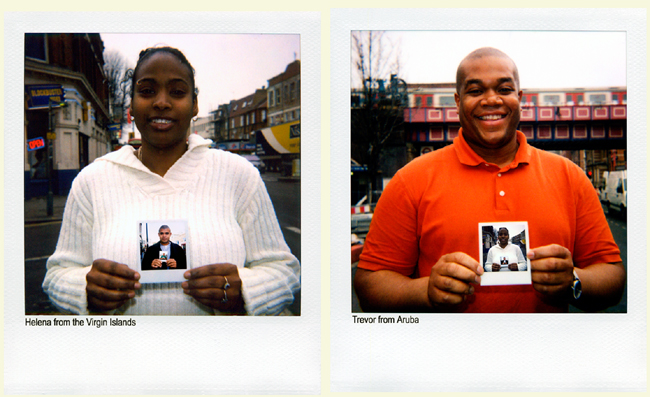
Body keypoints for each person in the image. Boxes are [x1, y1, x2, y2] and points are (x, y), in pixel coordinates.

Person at [354, 47, 625, 313]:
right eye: (475, 91)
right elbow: (370, 286)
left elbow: (613, 279)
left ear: (520, 98)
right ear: (458, 102)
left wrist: (574, 281)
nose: (491, 100)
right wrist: (425, 292)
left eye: (504, 89)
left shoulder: (570, 177)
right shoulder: (410, 180)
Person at [42, 46, 300, 315]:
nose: (161, 102)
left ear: (194, 104)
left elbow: (284, 270)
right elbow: (57, 274)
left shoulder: (239, 175)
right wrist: (82, 288)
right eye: (147, 91)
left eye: (177, 92)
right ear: (131, 103)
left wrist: (247, 292)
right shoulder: (91, 181)